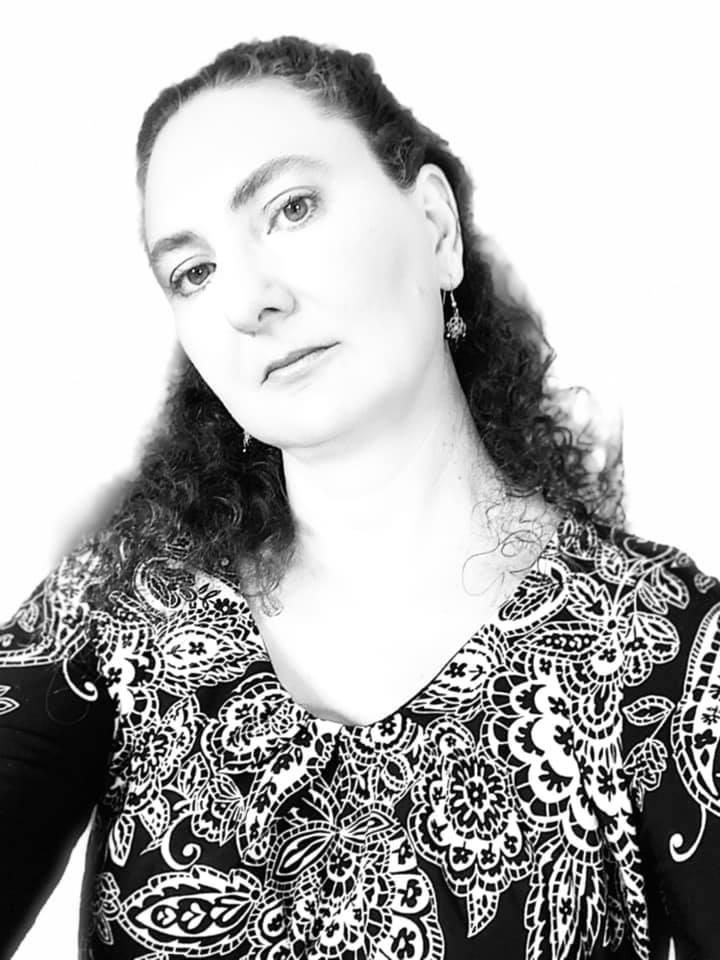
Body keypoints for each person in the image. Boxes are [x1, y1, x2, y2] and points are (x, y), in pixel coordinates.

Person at [0, 34, 717, 960]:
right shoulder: (121, 605)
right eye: (194, 272)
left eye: (292, 208)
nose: (247, 300)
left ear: (437, 228)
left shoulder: (667, 647)